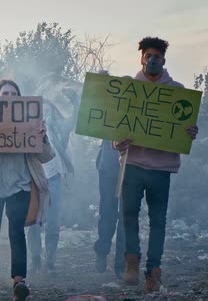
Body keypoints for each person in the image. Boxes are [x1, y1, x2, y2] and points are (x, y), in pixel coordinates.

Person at [114, 37, 199, 292]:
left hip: (161, 168)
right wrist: (117, 142)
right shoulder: (128, 88)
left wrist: (190, 132)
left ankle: (153, 271)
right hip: (133, 164)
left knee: (158, 221)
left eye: (157, 57)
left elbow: (184, 128)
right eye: (148, 55)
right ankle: (131, 261)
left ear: (164, 60)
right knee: (128, 215)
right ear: (141, 57)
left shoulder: (178, 91)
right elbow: (114, 127)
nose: (152, 60)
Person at [0, 79, 54, 301]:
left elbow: (46, 156)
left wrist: (42, 136)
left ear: (19, 100)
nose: (8, 97)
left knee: (16, 233)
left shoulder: (29, 123)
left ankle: (19, 281)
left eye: (13, 94)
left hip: (21, 186)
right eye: (4, 94)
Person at [26, 96, 75, 275]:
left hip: (54, 178)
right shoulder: (26, 129)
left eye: (48, 110)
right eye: (41, 110)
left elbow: (73, 120)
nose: (45, 113)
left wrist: (74, 99)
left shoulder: (58, 130)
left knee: (53, 222)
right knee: (32, 222)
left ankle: (50, 260)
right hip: (33, 178)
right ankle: (36, 259)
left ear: (53, 112)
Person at [93, 71, 125, 278]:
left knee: (127, 217)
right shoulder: (110, 110)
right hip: (109, 168)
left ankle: (121, 264)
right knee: (108, 214)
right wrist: (101, 81)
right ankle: (102, 251)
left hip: (134, 168)